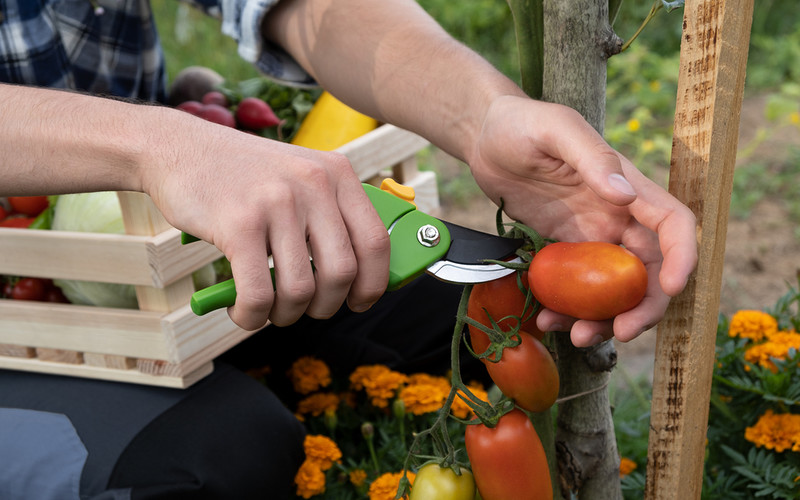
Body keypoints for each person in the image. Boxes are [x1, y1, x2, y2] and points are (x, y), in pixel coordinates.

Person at [0, 0, 698, 498]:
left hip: (169, 253)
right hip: (27, 314)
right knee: (212, 459)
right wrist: (157, 143)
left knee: (448, 321)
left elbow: (310, 7)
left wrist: (482, 114)